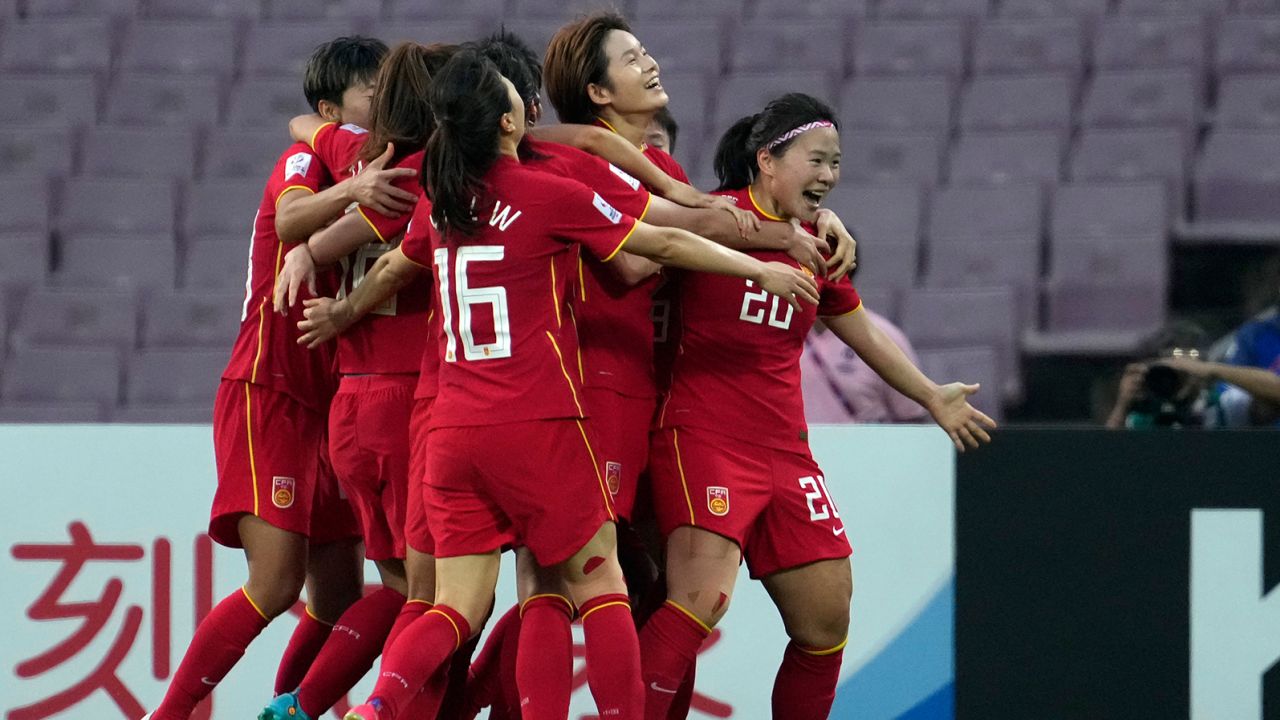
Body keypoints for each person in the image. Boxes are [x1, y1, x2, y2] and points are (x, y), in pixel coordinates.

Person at [342, 50, 820, 720]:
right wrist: (758, 268)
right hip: (536, 421)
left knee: (454, 605)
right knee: (601, 585)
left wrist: (337, 309)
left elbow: (393, 265)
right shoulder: (546, 193)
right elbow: (663, 245)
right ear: (510, 120)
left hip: (451, 431)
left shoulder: (443, 203)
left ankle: (375, 709)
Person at [639, 93, 997, 720]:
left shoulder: (819, 246)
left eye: (836, 163)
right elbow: (648, 239)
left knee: (826, 617)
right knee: (699, 599)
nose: (829, 174)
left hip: (786, 451)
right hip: (701, 434)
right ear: (766, 161)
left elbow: (865, 334)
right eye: (817, 159)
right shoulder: (711, 218)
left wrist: (930, 393)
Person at [142, 36, 391, 720]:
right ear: (332, 106)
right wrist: (354, 184)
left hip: (333, 401)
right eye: (372, 93)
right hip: (271, 387)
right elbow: (289, 216)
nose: (384, 105)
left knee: (339, 597)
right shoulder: (307, 156)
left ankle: (288, 711)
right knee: (276, 581)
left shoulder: (376, 165)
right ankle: (168, 714)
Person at [258, 42, 462, 720]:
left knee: (405, 594)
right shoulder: (426, 172)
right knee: (440, 604)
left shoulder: (357, 158)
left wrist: (307, 253)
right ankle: (362, 710)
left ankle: (293, 705)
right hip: (412, 402)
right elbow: (399, 262)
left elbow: (305, 126)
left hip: (354, 402)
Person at [801, 312, 929, 424]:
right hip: (794, 446)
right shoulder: (784, 332)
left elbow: (912, 417)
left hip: (866, 447)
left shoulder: (882, 335)